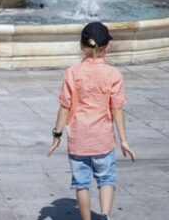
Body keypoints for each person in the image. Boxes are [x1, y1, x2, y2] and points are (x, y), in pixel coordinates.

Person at [48, 22, 136, 220]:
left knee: (81, 183)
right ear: (108, 48)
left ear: (81, 46)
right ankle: (104, 216)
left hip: (78, 139)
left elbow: (65, 107)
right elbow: (117, 108)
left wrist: (57, 135)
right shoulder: (113, 74)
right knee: (106, 179)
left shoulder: (72, 72)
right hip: (103, 140)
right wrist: (123, 140)